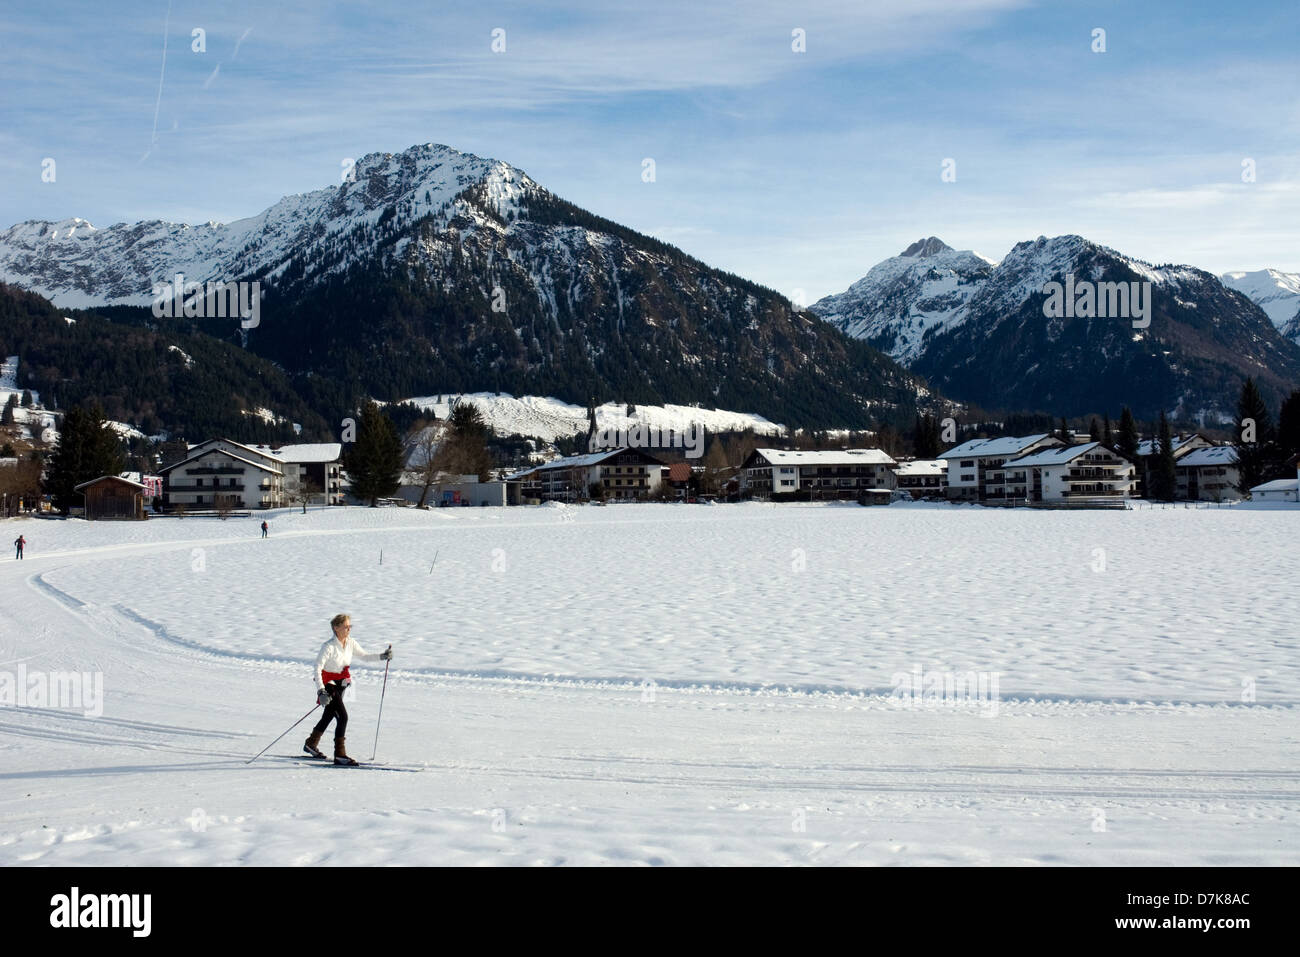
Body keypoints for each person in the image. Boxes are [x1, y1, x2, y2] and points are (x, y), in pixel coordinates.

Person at [304, 614, 392, 765]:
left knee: (329, 714)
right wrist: (321, 691)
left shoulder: (350, 643)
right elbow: (317, 668)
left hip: (341, 683)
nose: (349, 629)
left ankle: (311, 743)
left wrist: (382, 656)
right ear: (336, 628)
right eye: (346, 627)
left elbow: (364, 656)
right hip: (328, 683)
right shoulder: (328, 646)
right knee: (343, 717)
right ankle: (340, 754)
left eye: (350, 626)